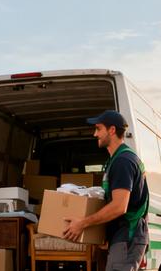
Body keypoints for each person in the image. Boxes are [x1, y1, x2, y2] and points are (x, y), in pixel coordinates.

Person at [63, 110, 149, 271]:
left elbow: (119, 206)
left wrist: (82, 223)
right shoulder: (119, 159)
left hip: (127, 236)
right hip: (123, 236)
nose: (95, 134)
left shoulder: (123, 161)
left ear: (112, 130)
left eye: (98, 128)